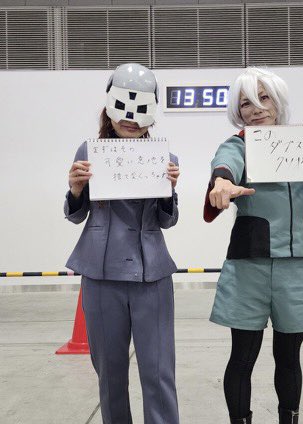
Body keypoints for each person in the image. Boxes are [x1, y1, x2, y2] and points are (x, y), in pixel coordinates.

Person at [204, 67, 303, 424]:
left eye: (264, 98)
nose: (256, 109)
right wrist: (222, 181)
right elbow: (225, 164)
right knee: (242, 357)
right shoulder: (238, 144)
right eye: (246, 103)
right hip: (248, 266)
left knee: (289, 357)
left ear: (278, 102)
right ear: (238, 111)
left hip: (294, 267)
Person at [65, 63, 180, 424]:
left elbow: (168, 221)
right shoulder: (89, 151)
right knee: (110, 375)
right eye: (123, 107)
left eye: (141, 109)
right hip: (100, 274)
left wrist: (169, 191)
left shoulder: (165, 158)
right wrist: (75, 190)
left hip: (151, 274)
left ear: (153, 113)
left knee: (159, 372)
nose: (130, 118)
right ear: (110, 106)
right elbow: (76, 215)